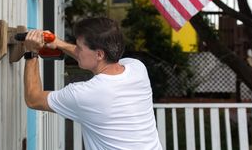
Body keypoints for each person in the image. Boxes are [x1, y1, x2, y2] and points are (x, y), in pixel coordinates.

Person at [23, 17, 162, 150]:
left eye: (79, 47)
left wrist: (32, 52)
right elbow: (90, 57)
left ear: (100, 54)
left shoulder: (86, 94)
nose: (76, 51)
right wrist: (59, 43)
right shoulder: (137, 68)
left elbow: (34, 99)